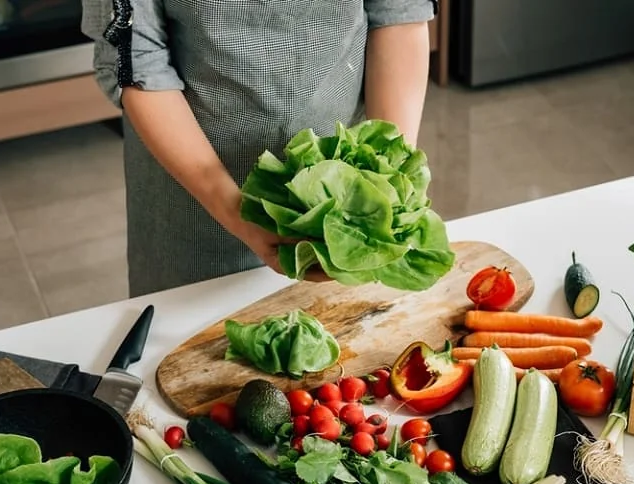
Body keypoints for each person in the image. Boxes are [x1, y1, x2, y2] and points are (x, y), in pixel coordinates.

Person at [82, 0, 437, 297]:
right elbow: (139, 63)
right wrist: (238, 212)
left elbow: (399, 14)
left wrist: (386, 178)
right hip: (196, 210)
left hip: (345, 215)